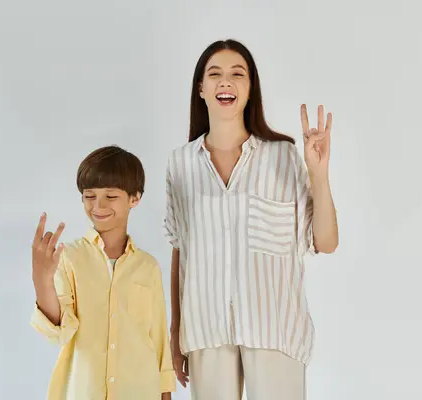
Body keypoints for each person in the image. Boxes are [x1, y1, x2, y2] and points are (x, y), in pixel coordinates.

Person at [164, 39, 339, 399]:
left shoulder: (283, 157)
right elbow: (180, 251)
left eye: (237, 74)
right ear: (201, 88)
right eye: (214, 74)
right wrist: (176, 330)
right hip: (206, 328)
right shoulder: (180, 164)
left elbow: (326, 242)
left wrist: (319, 175)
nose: (225, 82)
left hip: (274, 326)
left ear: (249, 88)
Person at [30, 146, 175, 400]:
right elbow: (60, 330)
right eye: (89, 195)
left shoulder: (147, 266)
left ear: (134, 198)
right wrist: (42, 281)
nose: (98, 206)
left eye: (110, 196)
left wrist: (165, 393)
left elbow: (159, 339)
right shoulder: (69, 257)